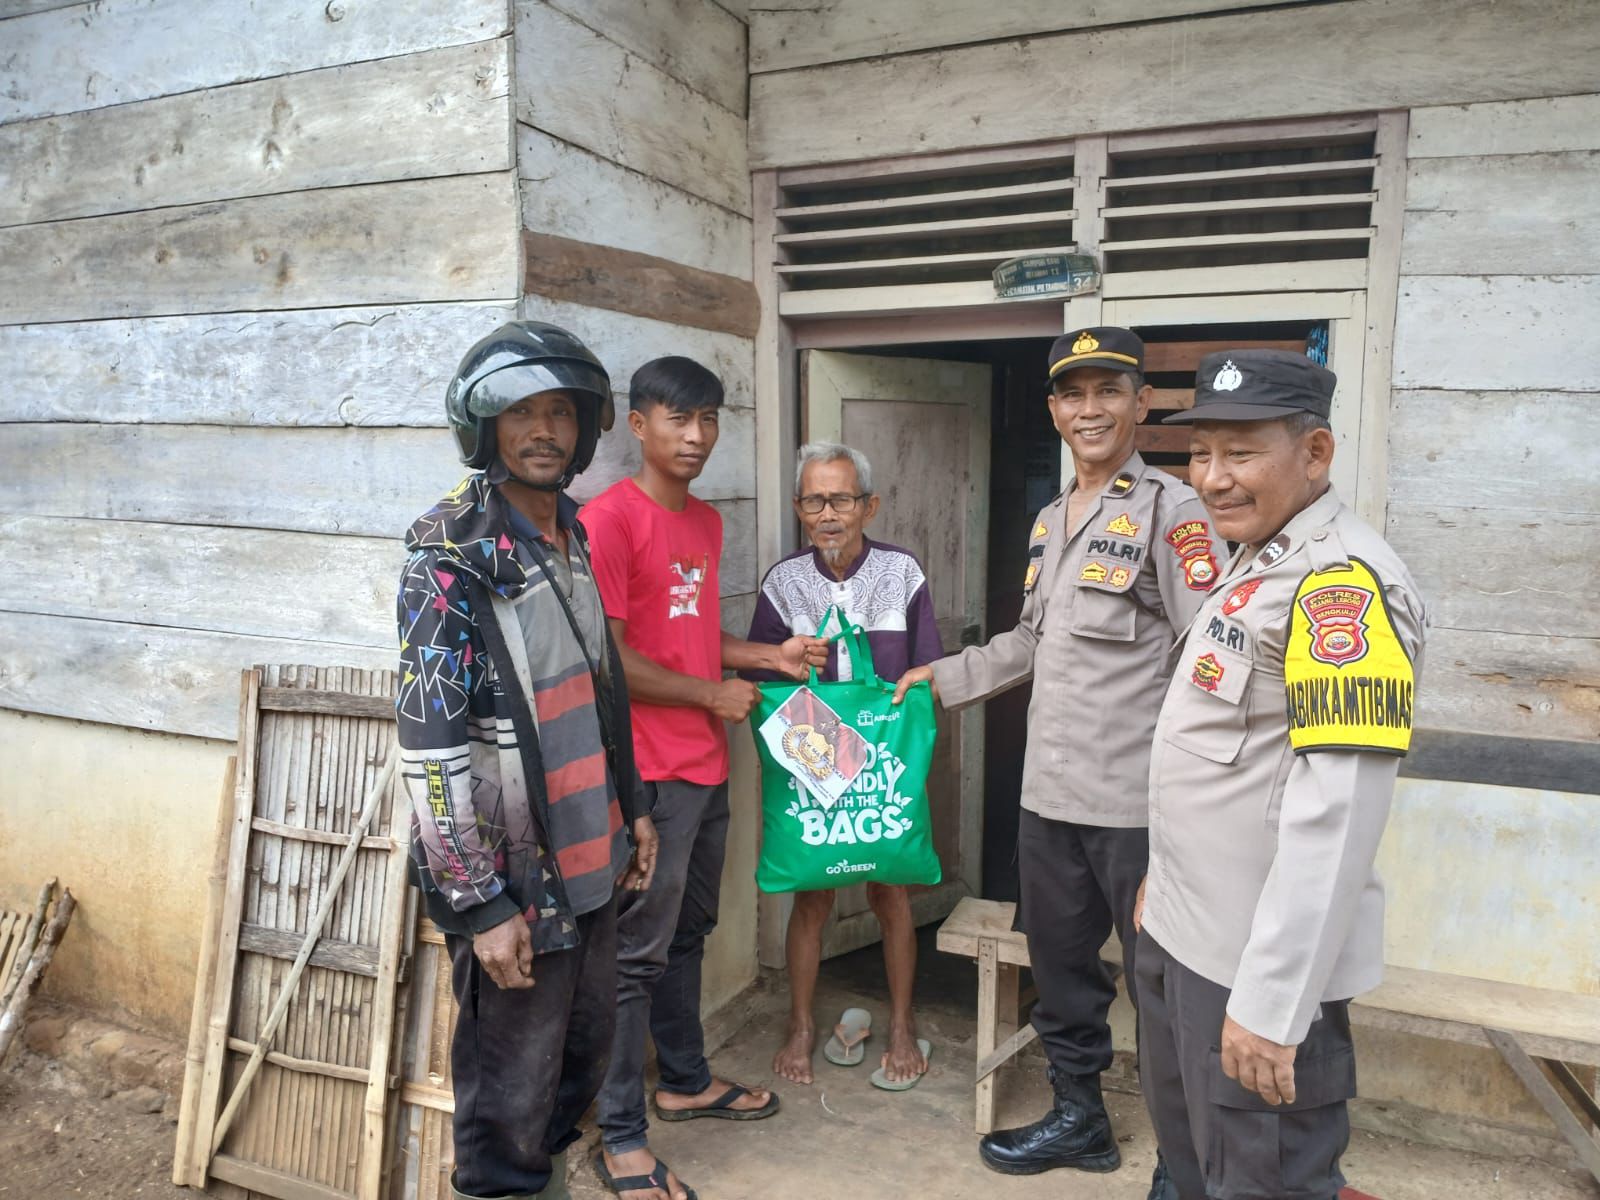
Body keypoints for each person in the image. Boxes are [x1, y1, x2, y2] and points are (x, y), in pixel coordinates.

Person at [894, 328, 1220, 1188]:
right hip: (1050, 797)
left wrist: (1193, 796)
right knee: (1063, 973)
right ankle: (1083, 1121)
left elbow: (1205, 656)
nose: (1090, 410)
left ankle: (1186, 1161)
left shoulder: (1175, 512)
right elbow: (1032, 640)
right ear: (1053, 410)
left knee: (1161, 986)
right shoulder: (1051, 517)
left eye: (1108, 391)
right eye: (1073, 394)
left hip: (1136, 807)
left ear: (1141, 403)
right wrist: (941, 678)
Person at [1133, 349, 1426, 1200]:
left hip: (1248, 969)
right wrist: (1164, 878)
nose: (1212, 478)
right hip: (1184, 933)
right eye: (1200, 454)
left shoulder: (1342, 586)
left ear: (1316, 452)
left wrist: (1272, 1006)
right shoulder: (1257, 552)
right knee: (1194, 1167)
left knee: (1261, 1180)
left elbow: (1338, 817)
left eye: (1241, 453)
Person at [395, 321, 659, 1200]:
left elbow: (602, 685)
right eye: (520, 413)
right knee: (505, 1110)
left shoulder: (572, 536)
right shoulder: (450, 561)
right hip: (516, 879)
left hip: (593, 859)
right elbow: (430, 745)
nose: (543, 431)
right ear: (484, 425)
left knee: (577, 1066)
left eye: (560, 413)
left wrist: (635, 806)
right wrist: (479, 901)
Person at [580, 357, 827, 1200]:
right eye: (678, 418)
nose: (696, 436)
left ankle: (684, 1080)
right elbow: (611, 660)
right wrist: (711, 695)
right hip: (647, 777)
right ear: (637, 425)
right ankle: (620, 1137)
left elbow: (687, 636)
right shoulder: (610, 521)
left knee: (688, 932)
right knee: (634, 957)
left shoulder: (707, 523)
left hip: (705, 764)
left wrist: (768, 657)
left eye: (709, 419)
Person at [746, 442, 946, 1089]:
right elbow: (761, 677)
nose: (827, 514)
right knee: (813, 893)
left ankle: (901, 1024)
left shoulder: (901, 571)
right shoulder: (784, 582)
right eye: (813, 501)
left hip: (885, 757)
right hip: (815, 754)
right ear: (799, 507)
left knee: (892, 889)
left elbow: (928, 670)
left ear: (869, 505)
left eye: (840, 499)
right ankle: (801, 1025)